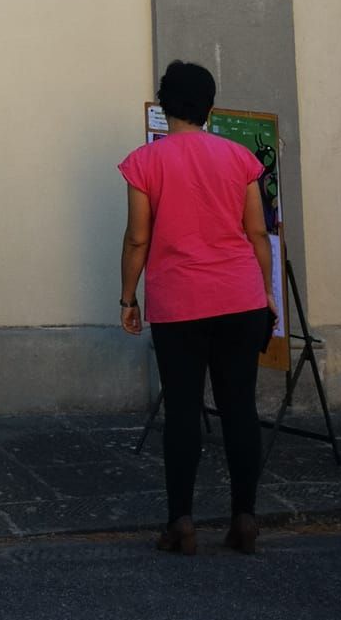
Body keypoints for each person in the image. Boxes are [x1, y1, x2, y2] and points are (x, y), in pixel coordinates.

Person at [119, 59, 278, 557]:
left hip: (179, 302)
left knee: (184, 410)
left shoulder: (145, 162)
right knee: (240, 409)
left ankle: (181, 522)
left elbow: (138, 238)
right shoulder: (239, 159)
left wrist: (128, 297)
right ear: (210, 107)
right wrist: (267, 293)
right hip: (240, 297)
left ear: (165, 106)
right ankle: (245, 517)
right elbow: (257, 233)